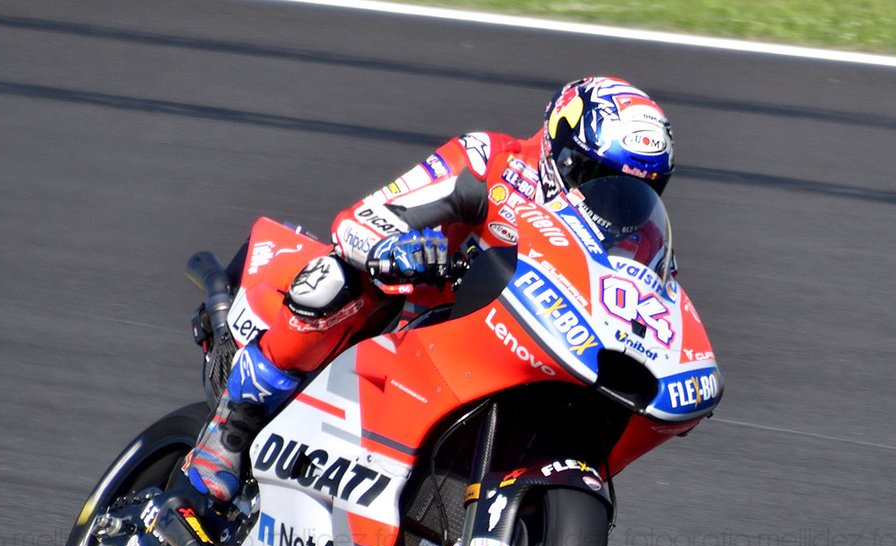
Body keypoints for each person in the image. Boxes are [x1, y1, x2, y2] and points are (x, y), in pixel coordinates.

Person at [183, 76, 676, 502]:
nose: (614, 200)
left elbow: (655, 314)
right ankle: (232, 427)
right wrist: (394, 251)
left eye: (639, 190)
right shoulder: (492, 161)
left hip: (512, 361)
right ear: (560, 149)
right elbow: (362, 219)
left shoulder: (641, 240)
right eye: (598, 178)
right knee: (339, 277)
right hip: (416, 326)